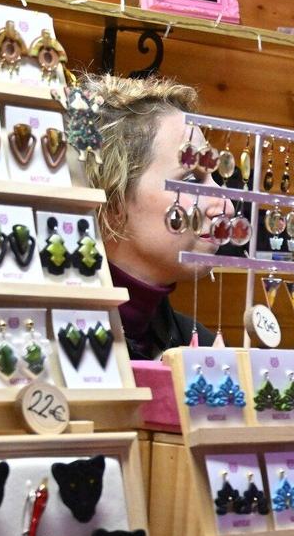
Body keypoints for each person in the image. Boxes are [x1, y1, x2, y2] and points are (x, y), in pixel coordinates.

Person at [79, 74, 219, 358]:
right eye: (191, 179)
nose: (224, 205)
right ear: (112, 200)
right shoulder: (55, 340)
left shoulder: (198, 345)